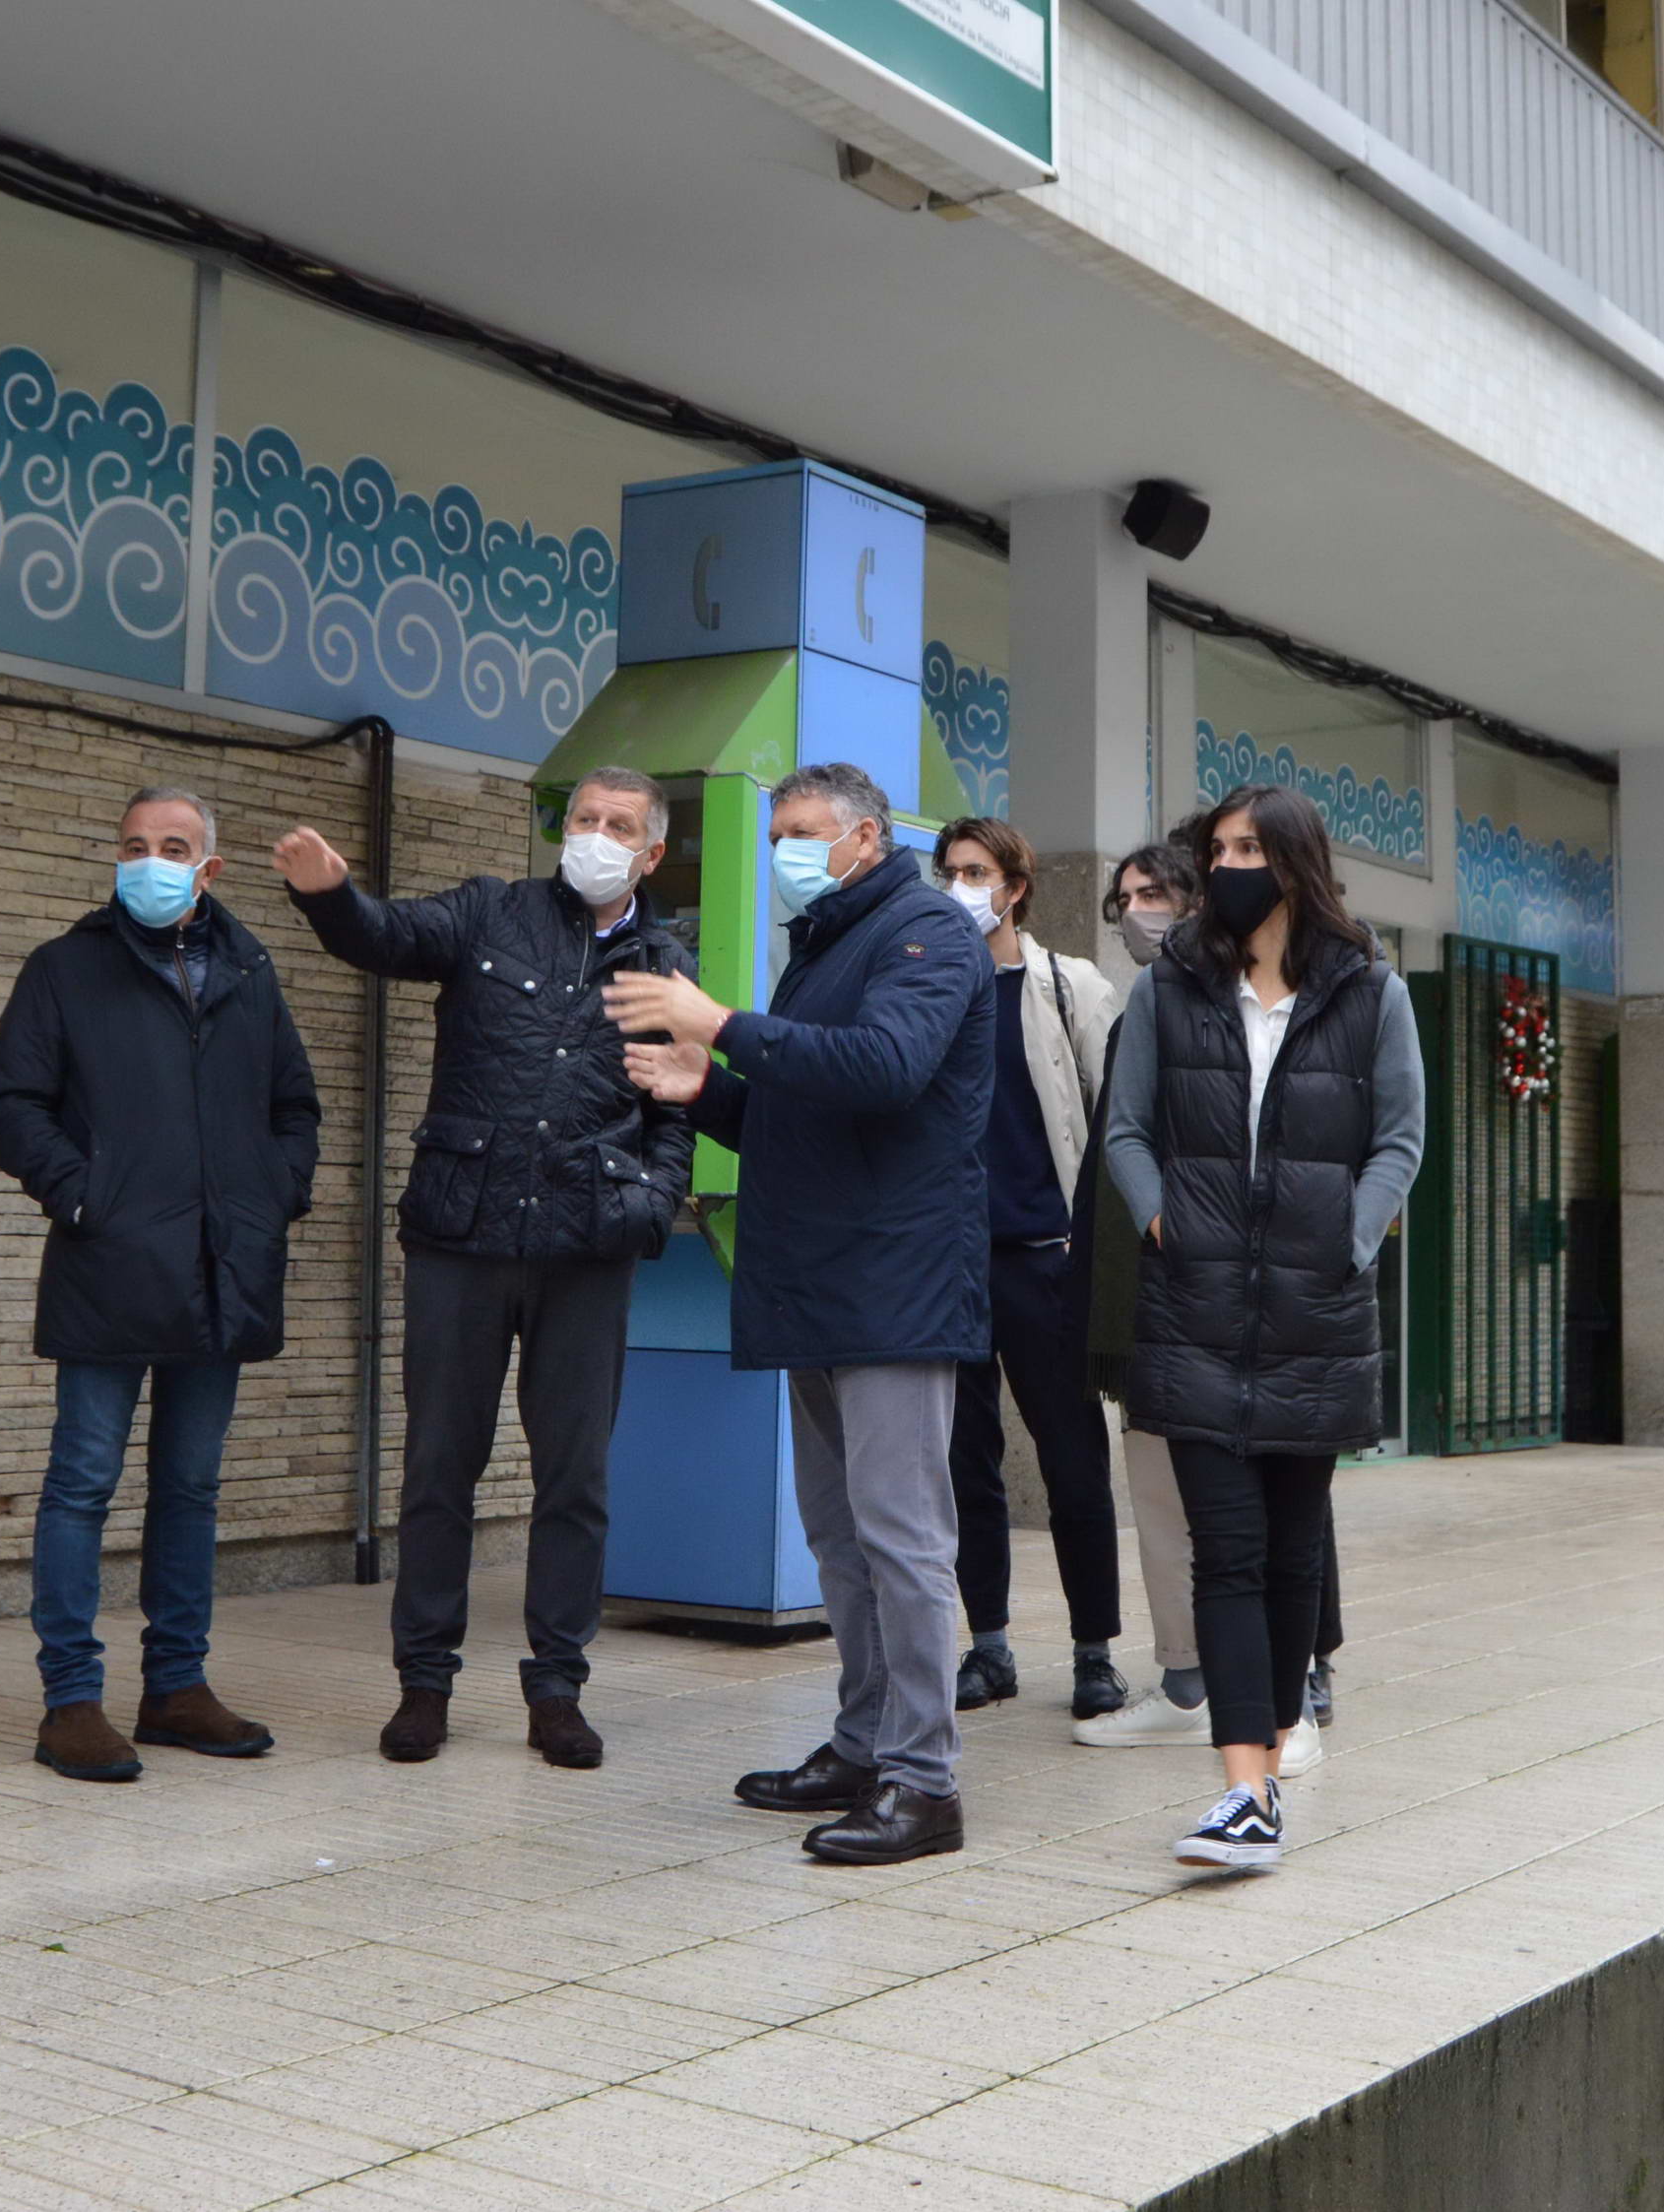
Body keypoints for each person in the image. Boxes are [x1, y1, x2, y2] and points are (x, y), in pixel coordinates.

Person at [606, 763, 994, 1865]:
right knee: (839, 1539)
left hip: (894, 1287)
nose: (785, 848)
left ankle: (924, 1781)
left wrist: (719, 1023)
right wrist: (712, 1090)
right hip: (822, 1280)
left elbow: (884, 1071)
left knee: (902, 1539)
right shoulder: (828, 941)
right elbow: (814, 1110)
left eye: (802, 831)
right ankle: (863, 1741)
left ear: (866, 838)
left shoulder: (927, 932)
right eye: (777, 831)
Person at [271, 767, 695, 1771]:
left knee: (574, 1480)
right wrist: (330, 895)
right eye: (583, 818)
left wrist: (648, 1206)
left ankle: (557, 1689)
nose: (593, 834)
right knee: (436, 1470)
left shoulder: (665, 967)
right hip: (460, 1238)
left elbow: (676, 1111)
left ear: (651, 853)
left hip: (586, 1250)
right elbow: (386, 939)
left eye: (617, 825)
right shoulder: (489, 909)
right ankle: (423, 1682)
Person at [1106, 784, 1424, 1870]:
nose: (1229, 863)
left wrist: (1350, 1237)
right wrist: (1161, 1218)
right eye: (1218, 847)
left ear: (1294, 862)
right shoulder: (1168, 989)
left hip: (1313, 1308)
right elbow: (1126, 1127)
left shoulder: (1368, 994)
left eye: (1248, 847)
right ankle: (1243, 1789)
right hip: (1191, 1305)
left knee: (1293, 1558)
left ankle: (1280, 1738)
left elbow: (1399, 1138)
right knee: (1226, 1554)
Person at [0, 786, 322, 1783]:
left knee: (190, 1488)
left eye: (172, 846)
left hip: (221, 1273)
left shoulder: (252, 971)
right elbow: (8, 1106)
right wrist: (89, 1199)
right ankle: (69, 1704)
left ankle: (175, 1688)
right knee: (81, 1484)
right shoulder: (64, 970)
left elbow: (293, 1106)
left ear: (208, 866)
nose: (149, 860)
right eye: (133, 844)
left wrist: (269, 1200)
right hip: (107, 1269)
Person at [930, 817, 1126, 1720]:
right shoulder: (928, 982)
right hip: (952, 1262)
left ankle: (1095, 1653)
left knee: (1073, 1461)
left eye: (977, 871)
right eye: (949, 871)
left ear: (1016, 885)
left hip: (1047, 1261)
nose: (961, 885)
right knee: (965, 1464)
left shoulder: (1067, 985)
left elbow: (1120, 1121)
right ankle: (991, 1648)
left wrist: (1102, 1250)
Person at [1073, 839, 1212, 1748]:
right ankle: (1186, 1678)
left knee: (1261, 1499)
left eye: (1154, 894)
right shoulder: (1136, 1011)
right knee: (1158, 1495)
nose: (1137, 913)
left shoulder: (1246, 1002)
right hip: (1144, 1299)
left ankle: (1293, 1680)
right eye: (1124, 899)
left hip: (1231, 1294)